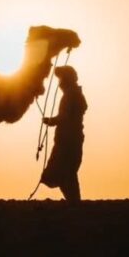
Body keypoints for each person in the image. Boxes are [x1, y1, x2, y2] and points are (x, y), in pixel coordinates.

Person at [40, 65, 87, 202]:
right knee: (66, 172)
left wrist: (51, 121)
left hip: (67, 141)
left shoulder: (71, 96)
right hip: (71, 139)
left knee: (64, 172)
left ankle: (74, 202)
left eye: (61, 80)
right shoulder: (75, 95)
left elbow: (65, 118)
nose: (59, 83)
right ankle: (74, 202)